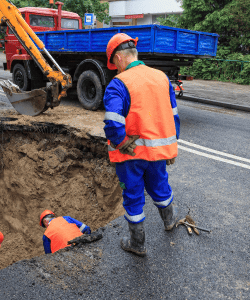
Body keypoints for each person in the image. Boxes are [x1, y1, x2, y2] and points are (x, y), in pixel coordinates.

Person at [103, 33, 180, 257]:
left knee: (133, 196)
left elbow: (112, 121)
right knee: (160, 186)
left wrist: (122, 141)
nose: (115, 69)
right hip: (157, 153)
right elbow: (173, 115)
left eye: (113, 64)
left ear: (118, 58)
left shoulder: (119, 83)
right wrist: (171, 148)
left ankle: (138, 243)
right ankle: (169, 221)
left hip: (131, 155)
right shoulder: (161, 78)